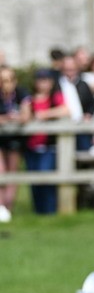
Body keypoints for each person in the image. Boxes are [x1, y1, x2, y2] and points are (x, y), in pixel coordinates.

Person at [25, 68, 70, 215]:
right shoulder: (29, 100)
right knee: (34, 180)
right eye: (40, 80)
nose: (43, 83)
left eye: (46, 80)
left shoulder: (55, 98)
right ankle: (38, 211)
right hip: (32, 146)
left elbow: (65, 110)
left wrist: (44, 114)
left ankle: (50, 210)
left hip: (48, 147)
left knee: (46, 177)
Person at [0, 66, 31, 222]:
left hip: (15, 139)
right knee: (1, 171)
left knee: (12, 173)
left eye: (10, 79)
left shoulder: (21, 93)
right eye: (3, 80)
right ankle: (1, 206)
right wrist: (9, 118)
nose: (7, 83)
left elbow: (26, 116)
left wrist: (9, 119)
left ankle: (8, 208)